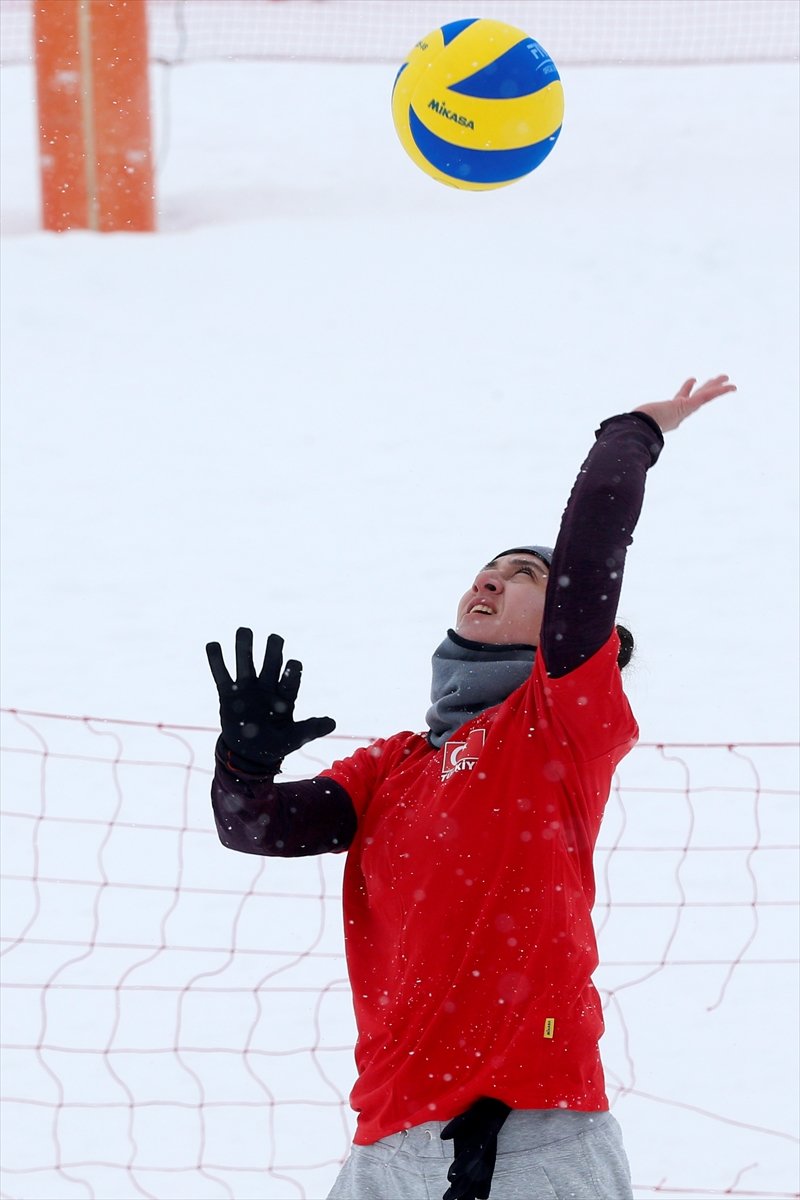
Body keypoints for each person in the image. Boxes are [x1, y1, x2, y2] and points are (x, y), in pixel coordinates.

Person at [206, 376, 735, 1200]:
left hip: (528, 1131)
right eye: (484, 570)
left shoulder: (558, 718)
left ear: (560, 615)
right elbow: (257, 829)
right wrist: (243, 763)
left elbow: (592, 544)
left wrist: (635, 429)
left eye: (521, 574)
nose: (489, 580)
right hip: (386, 1138)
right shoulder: (396, 763)